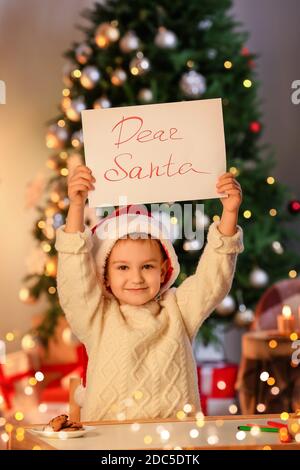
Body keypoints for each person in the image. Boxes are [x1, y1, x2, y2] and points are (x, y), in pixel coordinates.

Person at [55, 165, 244, 421]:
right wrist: (76, 207)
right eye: (122, 267)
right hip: (109, 444)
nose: (136, 278)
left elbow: (213, 280)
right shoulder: (96, 316)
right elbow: (74, 279)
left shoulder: (178, 308)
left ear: (164, 269)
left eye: (147, 266)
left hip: (177, 444)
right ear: (105, 275)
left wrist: (229, 214)